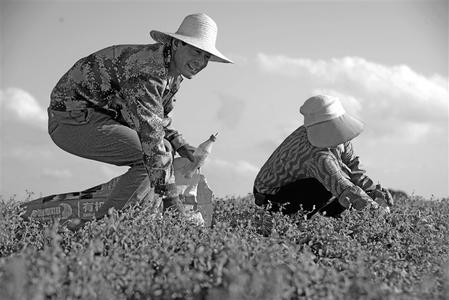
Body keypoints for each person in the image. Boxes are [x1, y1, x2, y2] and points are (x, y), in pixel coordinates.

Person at [47, 13, 232, 219]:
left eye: (206, 56)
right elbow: (150, 133)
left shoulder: (171, 73)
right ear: (178, 44)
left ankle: (137, 220)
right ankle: (101, 230)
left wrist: (179, 144)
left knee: (164, 152)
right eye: (197, 52)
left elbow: (154, 118)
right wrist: (172, 201)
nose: (201, 61)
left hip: (100, 116)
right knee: (148, 158)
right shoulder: (147, 70)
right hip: (71, 121)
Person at [253, 95, 392, 218]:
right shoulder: (316, 155)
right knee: (325, 187)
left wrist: (373, 192)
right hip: (270, 195)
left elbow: (353, 168)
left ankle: (324, 216)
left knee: (342, 177)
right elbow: (343, 187)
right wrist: (378, 212)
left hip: (297, 185)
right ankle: (296, 218)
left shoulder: (342, 140)